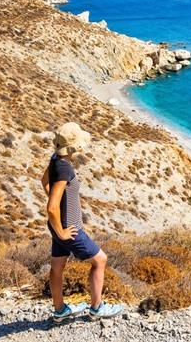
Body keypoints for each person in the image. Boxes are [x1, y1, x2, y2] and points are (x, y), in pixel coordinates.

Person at [41, 121, 124, 323]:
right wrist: (62, 231)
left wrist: (57, 221)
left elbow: (44, 181)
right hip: (70, 227)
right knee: (100, 260)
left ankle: (60, 310)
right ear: (73, 146)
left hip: (58, 224)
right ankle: (97, 308)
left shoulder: (54, 160)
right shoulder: (64, 169)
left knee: (57, 266)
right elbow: (51, 206)